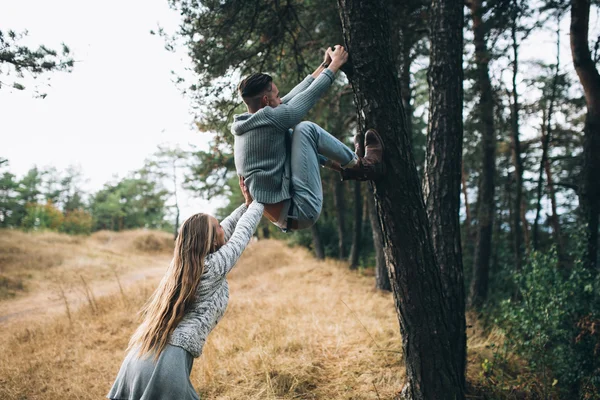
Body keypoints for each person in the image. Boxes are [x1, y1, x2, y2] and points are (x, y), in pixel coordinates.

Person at [107, 178, 263, 400]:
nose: (223, 228)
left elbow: (227, 229)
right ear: (208, 239)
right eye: (217, 226)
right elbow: (242, 233)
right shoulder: (213, 267)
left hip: (141, 356)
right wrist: (263, 200)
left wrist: (248, 204)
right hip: (165, 363)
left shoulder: (185, 265)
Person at [232, 45, 384, 232]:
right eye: (277, 96)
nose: (281, 100)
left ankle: (348, 169)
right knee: (305, 129)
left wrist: (325, 64)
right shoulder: (269, 119)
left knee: (293, 137)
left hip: (289, 214)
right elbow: (308, 96)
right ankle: (363, 166)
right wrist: (335, 65)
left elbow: (293, 96)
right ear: (265, 101)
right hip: (300, 210)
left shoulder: (251, 124)